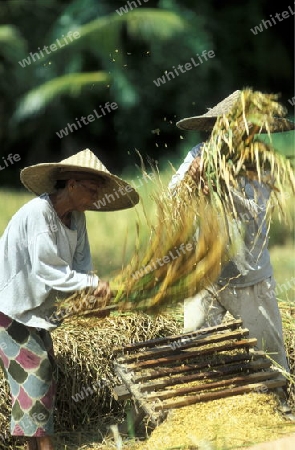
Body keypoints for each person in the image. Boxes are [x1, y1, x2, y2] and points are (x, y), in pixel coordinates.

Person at [0, 148, 139, 450]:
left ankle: (34, 446)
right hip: (8, 308)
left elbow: (81, 267)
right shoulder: (40, 214)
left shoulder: (76, 218)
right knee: (37, 371)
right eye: (91, 189)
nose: (95, 197)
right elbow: (48, 271)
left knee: (44, 372)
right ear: (72, 184)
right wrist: (93, 284)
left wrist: (93, 298)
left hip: (36, 310)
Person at [169, 90, 295, 419]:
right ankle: (192, 415)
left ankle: (278, 411)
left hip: (249, 276)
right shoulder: (199, 153)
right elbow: (172, 197)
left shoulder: (260, 163)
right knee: (195, 345)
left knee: (267, 353)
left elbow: (255, 211)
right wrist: (191, 182)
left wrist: (224, 191)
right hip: (205, 275)